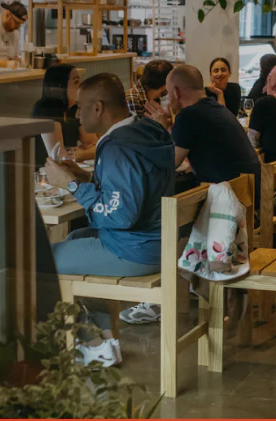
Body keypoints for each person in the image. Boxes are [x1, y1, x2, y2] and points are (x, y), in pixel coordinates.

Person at [45, 73, 175, 367]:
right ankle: (107, 342)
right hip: (161, 244)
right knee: (76, 239)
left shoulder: (117, 147)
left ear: (98, 108)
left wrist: (72, 185)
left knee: (42, 261)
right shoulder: (146, 132)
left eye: (80, 107)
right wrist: (85, 176)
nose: (76, 115)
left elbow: (121, 215)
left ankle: (90, 343)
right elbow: (134, 188)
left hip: (134, 250)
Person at [144, 65, 262, 206]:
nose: (168, 99)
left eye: (168, 93)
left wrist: (160, 128)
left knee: (165, 203)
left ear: (176, 92)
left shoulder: (188, 116)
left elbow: (168, 164)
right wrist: (170, 128)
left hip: (229, 205)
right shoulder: (214, 107)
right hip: (250, 195)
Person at [32, 65, 98, 165]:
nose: (81, 87)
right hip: (46, 173)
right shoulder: (45, 111)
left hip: (69, 169)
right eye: (76, 82)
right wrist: (83, 153)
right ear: (60, 87)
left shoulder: (74, 108)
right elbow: (59, 157)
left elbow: (96, 145)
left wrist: (83, 154)